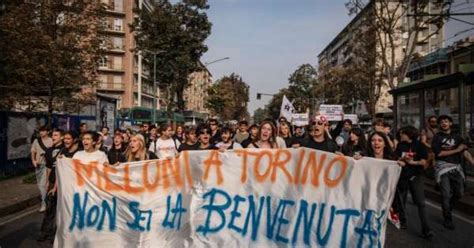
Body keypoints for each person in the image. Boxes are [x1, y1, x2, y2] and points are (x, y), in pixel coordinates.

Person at [394, 126, 433, 238]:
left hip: (416, 177)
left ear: (409, 134)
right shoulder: (400, 145)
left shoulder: (420, 145)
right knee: (402, 201)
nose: (400, 136)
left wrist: (411, 162)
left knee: (421, 203)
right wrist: (401, 160)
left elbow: (423, 162)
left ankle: (426, 229)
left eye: (402, 133)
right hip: (403, 177)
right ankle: (402, 221)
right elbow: (396, 158)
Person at [431, 115, 467, 230]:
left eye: (446, 121)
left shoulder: (457, 137)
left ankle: (448, 207)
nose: (444, 123)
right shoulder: (437, 138)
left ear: (450, 123)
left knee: (459, 193)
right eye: (441, 122)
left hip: (456, 169)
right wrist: (457, 149)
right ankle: (448, 218)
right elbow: (439, 154)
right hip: (442, 169)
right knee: (446, 195)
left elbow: (465, 151)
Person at [37, 129, 64, 243]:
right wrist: (48, 182)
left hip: (63, 183)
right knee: (50, 209)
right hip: (52, 181)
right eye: (53, 135)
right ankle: (45, 232)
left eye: (56, 135)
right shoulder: (49, 151)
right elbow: (48, 167)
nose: (53, 137)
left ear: (61, 137)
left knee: (61, 210)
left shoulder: (65, 150)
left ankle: (57, 234)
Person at [30, 126, 52, 212]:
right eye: (40, 131)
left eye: (43, 131)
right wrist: (33, 160)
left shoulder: (51, 141)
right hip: (38, 165)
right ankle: (47, 200)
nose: (41, 133)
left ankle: (44, 203)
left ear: (47, 132)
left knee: (44, 185)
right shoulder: (36, 140)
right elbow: (33, 151)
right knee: (40, 185)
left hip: (47, 166)